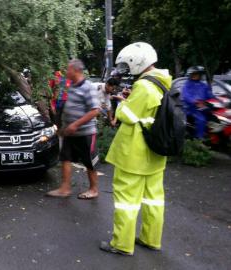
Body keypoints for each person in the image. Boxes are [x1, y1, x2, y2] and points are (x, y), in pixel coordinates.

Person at [100, 42, 172, 256]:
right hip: (155, 154)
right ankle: (151, 239)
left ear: (136, 62)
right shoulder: (163, 83)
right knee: (154, 200)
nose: (126, 68)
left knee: (126, 202)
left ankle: (121, 244)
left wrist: (123, 102)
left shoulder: (144, 86)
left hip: (134, 154)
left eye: (126, 64)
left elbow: (127, 116)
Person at [46, 59, 100, 199]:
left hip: (85, 132)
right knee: (65, 158)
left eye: (68, 69)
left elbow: (95, 110)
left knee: (89, 162)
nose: (66, 72)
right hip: (70, 132)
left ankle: (94, 189)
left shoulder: (87, 87)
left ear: (76, 70)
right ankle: (65, 188)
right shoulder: (73, 86)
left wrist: (75, 124)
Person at [181, 66, 214, 139]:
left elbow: (210, 96)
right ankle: (200, 139)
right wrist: (195, 102)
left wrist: (214, 99)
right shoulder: (187, 85)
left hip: (204, 108)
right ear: (190, 75)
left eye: (197, 74)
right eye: (194, 74)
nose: (195, 75)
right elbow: (186, 96)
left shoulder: (203, 85)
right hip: (191, 108)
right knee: (201, 119)